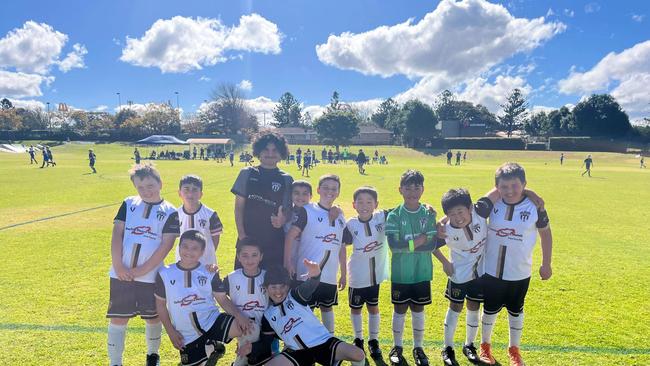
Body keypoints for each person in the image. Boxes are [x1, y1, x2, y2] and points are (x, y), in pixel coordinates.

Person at [106, 163, 180, 366]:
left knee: (152, 318)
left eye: (150, 185)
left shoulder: (170, 211)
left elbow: (165, 245)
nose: (145, 191)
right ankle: (115, 362)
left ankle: (152, 355)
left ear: (160, 183)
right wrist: (118, 266)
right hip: (120, 274)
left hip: (151, 276)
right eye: (140, 187)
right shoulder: (128, 203)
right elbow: (117, 234)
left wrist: (140, 271)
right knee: (118, 319)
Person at [479, 163, 552, 366]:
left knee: (516, 311)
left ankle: (514, 350)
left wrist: (546, 264)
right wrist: (523, 190)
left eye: (515, 186)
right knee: (490, 310)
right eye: (504, 187)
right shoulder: (493, 204)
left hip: (520, 271)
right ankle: (485, 346)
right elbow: (478, 206)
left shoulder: (534, 207)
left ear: (524, 184)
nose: (509, 191)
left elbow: (546, 234)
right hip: (492, 270)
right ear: (496, 187)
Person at [244, 263, 365, 366]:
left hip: (322, 343)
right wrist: (252, 349)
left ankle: (332, 359)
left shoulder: (295, 296)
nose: (278, 291)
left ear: (288, 286)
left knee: (358, 354)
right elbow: (266, 343)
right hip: (297, 352)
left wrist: (316, 275)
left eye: (282, 286)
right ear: (265, 288)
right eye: (273, 287)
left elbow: (310, 286)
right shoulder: (268, 316)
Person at [154, 230, 244, 366]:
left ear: (202, 252)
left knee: (249, 328)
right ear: (179, 248)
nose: (189, 251)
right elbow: (160, 306)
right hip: (187, 335)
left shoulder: (209, 272)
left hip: (212, 321)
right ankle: (212, 348)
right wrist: (171, 332)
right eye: (185, 246)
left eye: (195, 248)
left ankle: (239, 363)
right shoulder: (165, 273)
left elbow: (223, 300)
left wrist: (239, 316)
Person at [433, 188, 497, 366]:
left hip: (480, 273)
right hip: (458, 275)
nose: (457, 217)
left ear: (470, 207)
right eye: (451, 214)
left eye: (460, 211)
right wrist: (445, 262)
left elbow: (498, 190)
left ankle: (469, 345)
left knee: (474, 306)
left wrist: (531, 194)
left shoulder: (480, 210)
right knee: (455, 307)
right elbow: (431, 245)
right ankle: (448, 348)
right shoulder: (444, 230)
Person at [385, 170, 437, 366]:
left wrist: (413, 244)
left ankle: (418, 347)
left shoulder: (428, 213)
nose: (412, 191)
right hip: (401, 273)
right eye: (408, 187)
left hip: (422, 272)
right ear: (400, 190)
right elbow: (394, 247)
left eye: (417, 187)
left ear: (423, 189)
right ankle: (397, 347)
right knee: (400, 309)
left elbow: (431, 245)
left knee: (418, 308)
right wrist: (418, 241)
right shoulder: (394, 215)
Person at [284, 174, 346, 335]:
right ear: (318, 190)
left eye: (334, 189)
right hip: (306, 273)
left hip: (330, 273)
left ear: (338, 192)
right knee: (304, 307)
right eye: (325, 187)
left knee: (327, 307)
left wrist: (344, 273)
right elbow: (290, 235)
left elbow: (342, 246)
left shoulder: (340, 215)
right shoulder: (307, 211)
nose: (329, 191)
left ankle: (329, 340)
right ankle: (300, 343)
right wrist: (288, 263)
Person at [231, 131, 293, 270]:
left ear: (281, 153)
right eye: (266, 149)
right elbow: (238, 208)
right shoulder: (247, 173)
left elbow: (289, 210)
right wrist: (242, 235)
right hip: (248, 239)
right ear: (258, 151)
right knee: (244, 281)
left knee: (272, 285)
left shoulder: (286, 179)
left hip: (274, 241)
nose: (270, 153)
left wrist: (282, 220)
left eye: (275, 150)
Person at [343, 186, 389, 360]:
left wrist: (427, 208)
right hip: (357, 275)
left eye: (369, 202)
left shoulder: (382, 216)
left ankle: (373, 341)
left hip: (375, 275)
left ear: (376, 204)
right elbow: (339, 242)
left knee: (373, 307)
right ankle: (358, 339)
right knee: (355, 309)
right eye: (360, 202)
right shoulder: (350, 224)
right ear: (354, 205)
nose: (365, 205)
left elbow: (402, 210)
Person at [213, 239, 268, 366]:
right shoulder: (232, 278)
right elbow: (220, 297)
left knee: (258, 358)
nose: (250, 260)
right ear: (238, 257)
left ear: (261, 257)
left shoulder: (267, 277)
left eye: (254, 255)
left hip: (264, 327)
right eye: (245, 255)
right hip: (240, 324)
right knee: (251, 331)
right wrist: (212, 273)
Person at [175, 175, 223, 266]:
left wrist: (209, 255)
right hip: (182, 260)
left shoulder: (211, 214)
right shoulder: (175, 215)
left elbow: (215, 240)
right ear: (179, 193)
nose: (190, 193)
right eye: (186, 189)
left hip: (206, 262)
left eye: (194, 190)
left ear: (201, 194)